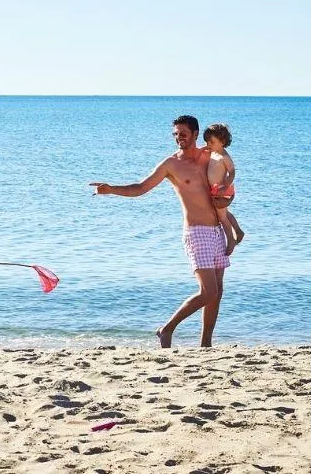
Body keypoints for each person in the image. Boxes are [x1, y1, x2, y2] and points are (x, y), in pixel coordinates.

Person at [90, 115, 229, 348]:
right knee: (208, 292)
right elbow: (141, 188)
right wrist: (112, 189)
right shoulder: (171, 164)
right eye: (175, 134)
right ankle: (166, 329)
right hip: (197, 233)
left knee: (218, 291)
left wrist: (231, 218)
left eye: (183, 133)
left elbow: (224, 185)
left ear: (195, 134)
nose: (178, 138)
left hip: (216, 230)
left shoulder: (210, 157)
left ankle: (206, 343)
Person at [202, 123, 245, 255]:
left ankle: (231, 240)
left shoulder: (224, 156)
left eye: (211, 141)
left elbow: (232, 172)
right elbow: (203, 149)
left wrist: (225, 185)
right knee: (224, 213)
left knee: (222, 218)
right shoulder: (214, 151)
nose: (208, 144)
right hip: (216, 189)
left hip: (222, 189)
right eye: (207, 141)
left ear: (222, 142)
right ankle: (238, 230)